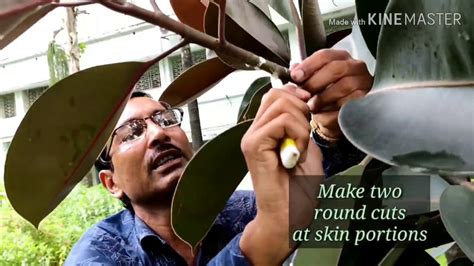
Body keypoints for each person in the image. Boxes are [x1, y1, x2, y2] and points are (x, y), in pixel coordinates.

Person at [65, 49, 372, 265]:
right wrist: (263, 240)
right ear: (111, 182)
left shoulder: (243, 209)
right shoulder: (101, 254)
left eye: (165, 118)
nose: (158, 133)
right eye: (132, 132)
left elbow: (339, 208)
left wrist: (336, 132)